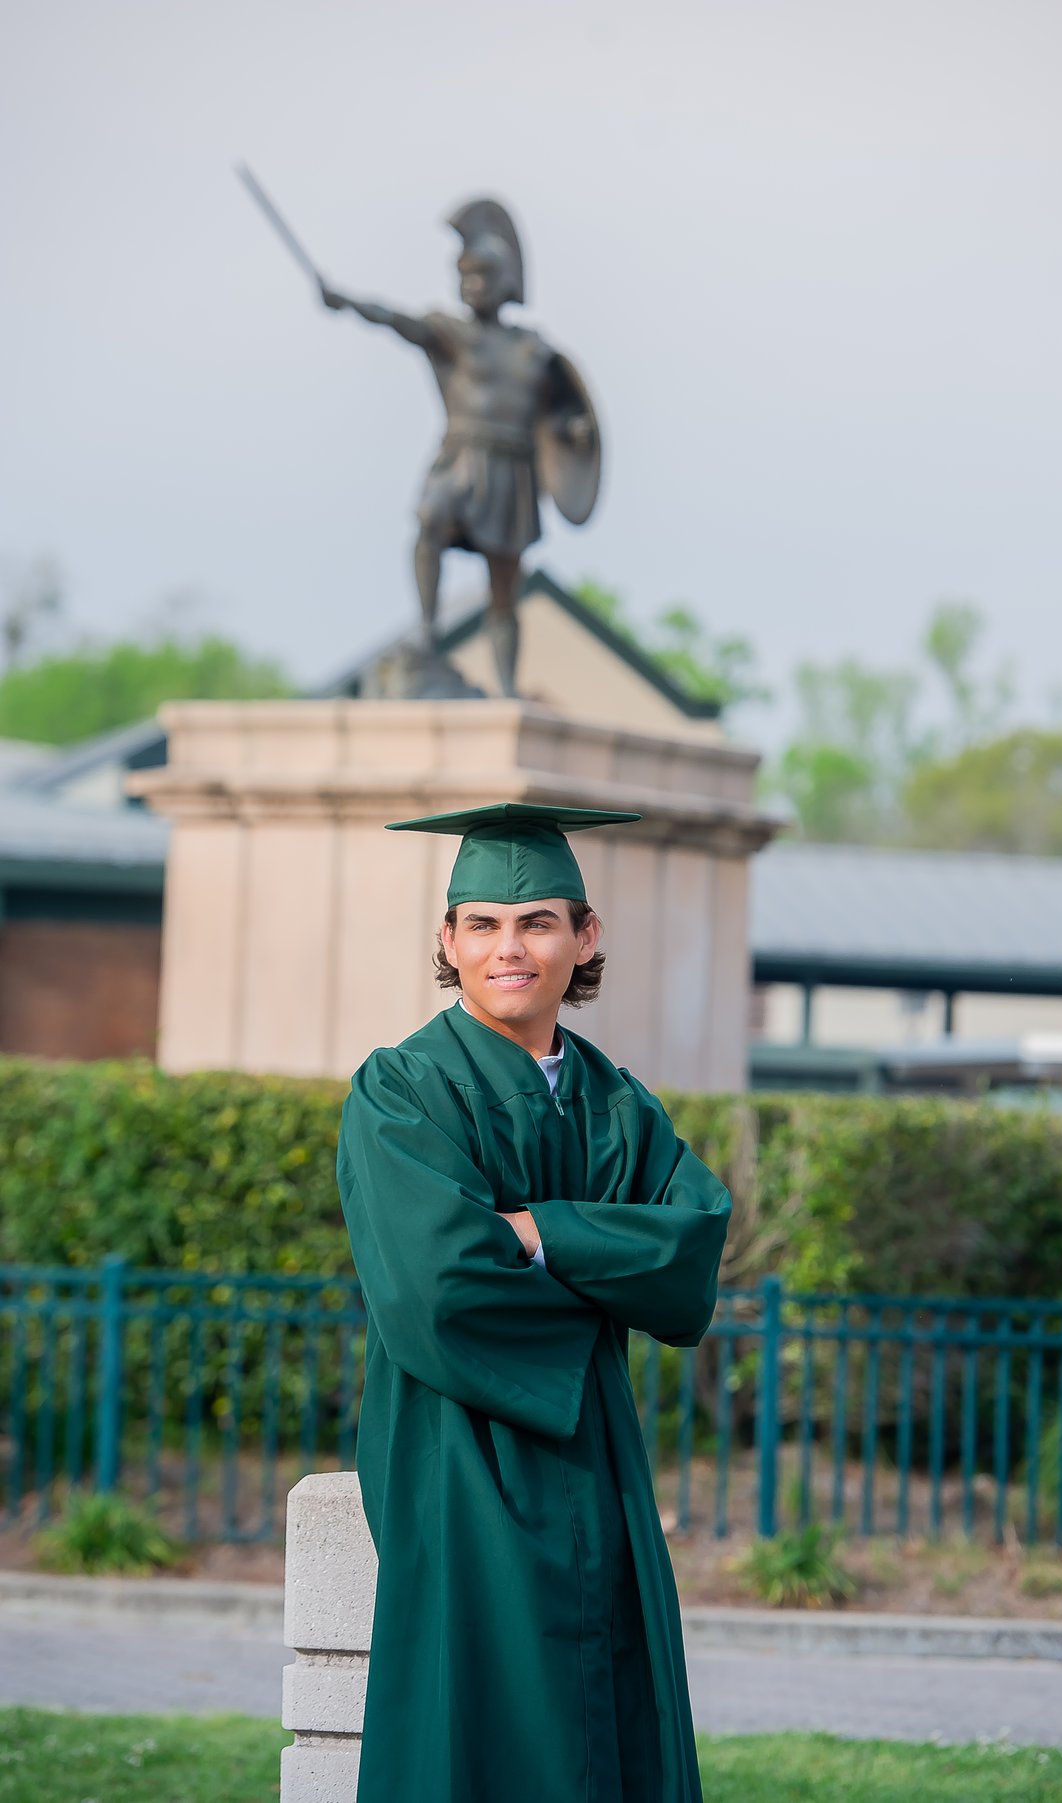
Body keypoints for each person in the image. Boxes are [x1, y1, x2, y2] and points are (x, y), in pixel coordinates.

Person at [337, 802, 732, 1803]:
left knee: (605, 1696)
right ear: (448, 941)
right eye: (482, 924)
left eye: (537, 922)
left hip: (593, 1447)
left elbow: (689, 1248)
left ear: (583, 937)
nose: (508, 948)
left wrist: (537, 1230)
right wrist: (598, 1261)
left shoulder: (616, 1102)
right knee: (478, 1704)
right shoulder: (404, 1091)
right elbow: (436, 1286)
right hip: (458, 1443)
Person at [320, 199, 598, 697]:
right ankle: (427, 632)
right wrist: (346, 301)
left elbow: (564, 412)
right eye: (464, 278)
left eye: (482, 277)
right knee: (431, 518)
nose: (471, 287)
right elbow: (394, 319)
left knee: (504, 585)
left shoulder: (533, 350)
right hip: (462, 457)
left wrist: (575, 431)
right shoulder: (451, 335)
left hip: (513, 468)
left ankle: (507, 685)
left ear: (506, 281)